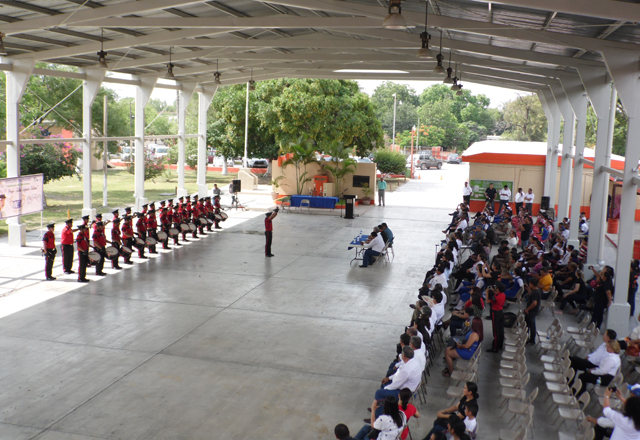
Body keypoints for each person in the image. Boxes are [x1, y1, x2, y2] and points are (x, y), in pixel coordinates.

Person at [487, 282, 506, 353]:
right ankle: (500, 345)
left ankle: (495, 347)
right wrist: (493, 291)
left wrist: (487, 293)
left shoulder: (496, 297)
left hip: (495, 313)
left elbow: (488, 301)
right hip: (501, 312)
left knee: (496, 330)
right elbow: (497, 295)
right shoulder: (503, 295)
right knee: (501, 329)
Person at [523, 278, 541, 345]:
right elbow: (532, 295)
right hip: (534, 310)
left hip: (531, 311)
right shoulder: (537, 290)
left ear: (532, 284)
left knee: (530, 325)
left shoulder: (535, 292)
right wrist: (528, 289)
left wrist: (527, 309)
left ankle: (531, 339)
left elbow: (534, 303)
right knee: (530, 324)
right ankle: (529, 338)